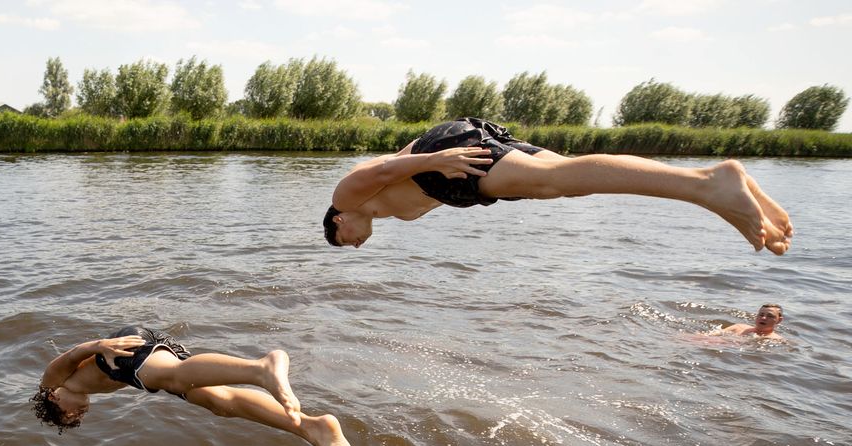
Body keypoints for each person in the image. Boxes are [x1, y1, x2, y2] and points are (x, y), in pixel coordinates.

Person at [323, 118, 793, 255]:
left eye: (346, 242)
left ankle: (709, 184)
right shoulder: (379, 212)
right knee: (568, 180)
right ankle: (721, 183)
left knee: (556, 181)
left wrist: (441, 156)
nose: (356, 244)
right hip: (449, 166)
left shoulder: (346, 198)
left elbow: (386, 168)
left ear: (339, 223)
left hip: (445, 160)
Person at [31, 326, 363, 446]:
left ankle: (261, 369)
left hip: (121, 349)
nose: (80, 415)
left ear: (55, 401)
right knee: (221, 403)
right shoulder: (84, 389)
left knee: (173, 377)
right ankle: (311, 428)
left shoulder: (51, 383)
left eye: (71, 416)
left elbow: (73, 353)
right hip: (137, 366)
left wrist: (99, 346)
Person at [714, 304, 785, 340]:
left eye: (770, 316)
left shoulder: (776, 340)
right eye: (761, 314)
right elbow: (711, 335)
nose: (763, 318)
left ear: (779, 320)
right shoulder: (738, 327)